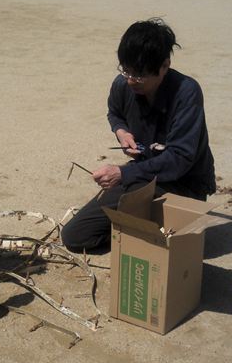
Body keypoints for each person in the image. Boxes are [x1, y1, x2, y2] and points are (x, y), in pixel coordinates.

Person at [61, 19, 216, 252]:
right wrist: (121, 132)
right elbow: (115, 113)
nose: (131, 80)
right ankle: (137, 223)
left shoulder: (186, 92)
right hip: (143, 176)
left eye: (140, 75)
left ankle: (142, 225)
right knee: (76, 236)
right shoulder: (122, 84)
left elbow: (179, 159)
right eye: (126, 70)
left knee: (169, 239)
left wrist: (122, 173)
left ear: (164, 66)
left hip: (184, 185)